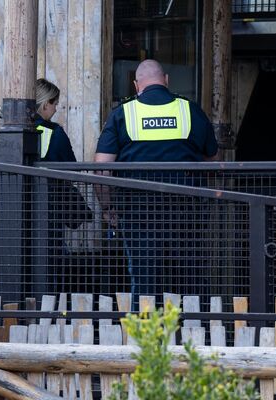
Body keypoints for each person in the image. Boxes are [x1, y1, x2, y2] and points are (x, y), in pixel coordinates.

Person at [94, 59, 218, 301]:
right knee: (188, 279)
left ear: (135, 85)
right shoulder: (189, 110)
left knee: (144, 280)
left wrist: (108, 208)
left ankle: (146, 333)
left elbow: (101, 169)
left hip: (137, 213)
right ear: (167, 80)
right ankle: (191, 332)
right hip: (185, 212)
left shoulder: (123, 114)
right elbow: (214, 160)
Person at [35, 78, 91, 293]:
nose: (56, 109)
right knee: (54, 259)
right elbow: (72, 170)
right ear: (45, 103)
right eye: (55, 103)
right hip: (51, 210)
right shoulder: (54, 133)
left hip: (19, 211)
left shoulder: (17, 131)